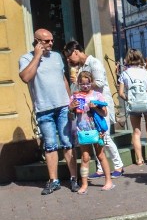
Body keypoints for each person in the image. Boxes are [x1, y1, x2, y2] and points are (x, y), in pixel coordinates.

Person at [20, 29, 79, 194]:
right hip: (44, 108)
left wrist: (70, 101)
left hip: (63, 106)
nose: (51, 44)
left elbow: (63, 79)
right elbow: (25, 77)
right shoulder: (26, 58)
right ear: (37, 41)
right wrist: (37, 56)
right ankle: (54, 180)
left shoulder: (57, 57)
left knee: (68, 142)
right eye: (46, 41)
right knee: (51, 145)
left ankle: (74, 178)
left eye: (52, 40)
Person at [63, 40, 124, 178]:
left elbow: (100, 83)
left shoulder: (94, 63)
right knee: (95, 137)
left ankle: (119, 165)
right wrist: (77, 84)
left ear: (76, 51)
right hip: (88, 109)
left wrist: (83, 85)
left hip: (100, 105)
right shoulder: (81, 67)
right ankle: (100, 169)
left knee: (105, 136)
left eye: (69, 55)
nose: (68, 59)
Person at [69, 71, 114, 193]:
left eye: (88, 83)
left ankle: (108, 180)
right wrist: (71, 107)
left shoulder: (97, 95)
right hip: (82, 131)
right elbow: (70, 114)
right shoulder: (75, 96)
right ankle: (84, 184)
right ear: (78, 83)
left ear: (91, 82)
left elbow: (104, 113)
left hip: (97, 130)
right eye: (82, 84)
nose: (85, 86)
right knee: (85, 157)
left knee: (100, 155)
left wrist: (95, 107)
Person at [118, 49, 147, 166]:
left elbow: (120, 93)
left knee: (136, 131)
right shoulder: (145, 72)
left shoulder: (125, 73)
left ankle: (139, 159)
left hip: (133, 105)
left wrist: (129, 99)